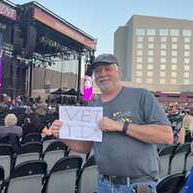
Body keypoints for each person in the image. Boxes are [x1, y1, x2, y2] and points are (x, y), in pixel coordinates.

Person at [50, 54, 173, 193]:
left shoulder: (141, 95)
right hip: (105, 184)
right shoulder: (93, 107)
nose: (102, 74)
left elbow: (166, 136)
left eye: (107, 69)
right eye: (98, 71)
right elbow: (85, 147)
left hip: (137, 185)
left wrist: (120, 126)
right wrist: (62, 134)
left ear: (119, 72)